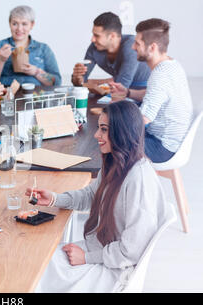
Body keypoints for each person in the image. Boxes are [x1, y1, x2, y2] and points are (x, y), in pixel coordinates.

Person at [26, 101, 173, 292]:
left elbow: (132, 250)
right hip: (102, 252)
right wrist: (55, 198)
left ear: (122, 133)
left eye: (103, 129)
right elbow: (90, 195)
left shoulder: (139, 179)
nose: (96, 135)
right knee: (38, 259)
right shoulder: (115, 162)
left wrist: (87, 258)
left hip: (114, 268)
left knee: (38, 269)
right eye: (99, 128)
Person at [109, 18, 193, 163]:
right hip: (171, 142)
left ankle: (109, 184)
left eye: (138, 43)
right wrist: (127, 93)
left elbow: (142, 119)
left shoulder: (160, 75)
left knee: (109, 138)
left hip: (161, 148)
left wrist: (112, 121)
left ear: (152, 47)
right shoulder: (172, 64)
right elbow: (151, 95)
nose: (133, 47)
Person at [0, 5, 62, 87]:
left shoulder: (43, 49)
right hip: (6, 95)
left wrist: (36, 72)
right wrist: (0, 60)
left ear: (32, 24)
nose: (19, 29)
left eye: (24, 24)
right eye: (15, 24)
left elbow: (56, 82)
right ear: (9, 23)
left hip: (35, 96)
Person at [71, 12, 151, 94]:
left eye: (97, 35)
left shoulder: (131, 46)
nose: (92, 39)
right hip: (119, 89)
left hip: (145, 91)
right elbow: (81, 82)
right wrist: (77, 78)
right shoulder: (95, 46)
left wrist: (91, 83)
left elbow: (121, 87)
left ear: (112, 36)